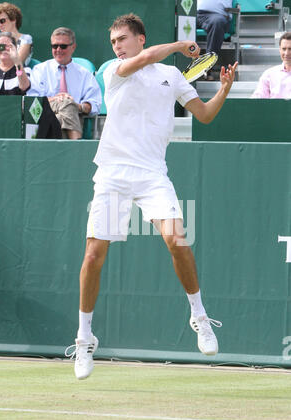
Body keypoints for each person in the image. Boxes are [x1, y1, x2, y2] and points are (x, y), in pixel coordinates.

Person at [67, 13, 238, 380]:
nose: (117, 46)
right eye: (114, 42)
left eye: (123, 39)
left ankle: (199, 316)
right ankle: (84, 339)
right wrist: (180, 45)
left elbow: (204, 115)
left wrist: (223, 89)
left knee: (177, 240)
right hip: (112, 173)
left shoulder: (173, 77)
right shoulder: (114, 70)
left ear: (140, 38)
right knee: (94, 254)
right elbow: (144, 61)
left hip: (151, 176)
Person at [27, 27, 101, 140]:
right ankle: (76, 145)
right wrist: (58, 100)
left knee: (62, 115)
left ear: (73, 47)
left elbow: (94, 105)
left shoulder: (84, 74)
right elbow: (33, 100)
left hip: (73, 116)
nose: (58, 49)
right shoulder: (40, 70)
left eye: (63, 46)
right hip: (46, 113)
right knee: (66, 103)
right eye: (54, 46)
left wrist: (77, 106)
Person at [197, 0, 233, 80]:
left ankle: (207, 67)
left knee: (218, 22)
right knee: (179, 18)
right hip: (194, 13)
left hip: (216, 15)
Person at [251, 32, 291, 99]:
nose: (286, 53)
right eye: (284, 49)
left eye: (290, 49)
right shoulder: (269, 74)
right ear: (279, 50)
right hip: (275, 109)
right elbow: (257, 99)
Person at [0, 2, 33, 67]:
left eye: (2, 21)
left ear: (13, 19)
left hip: (17, 76)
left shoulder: (25, 39)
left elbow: (17, 64)